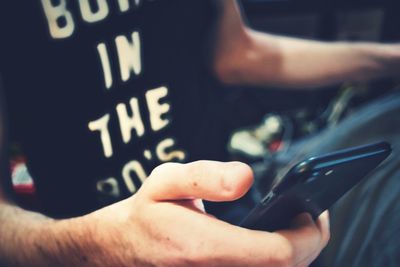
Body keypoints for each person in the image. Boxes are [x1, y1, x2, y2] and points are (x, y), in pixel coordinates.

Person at [0, 0, 398, 266]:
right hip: (84, 236)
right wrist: (103, 245)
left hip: (241, 197)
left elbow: (237, 54)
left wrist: (391, 59)